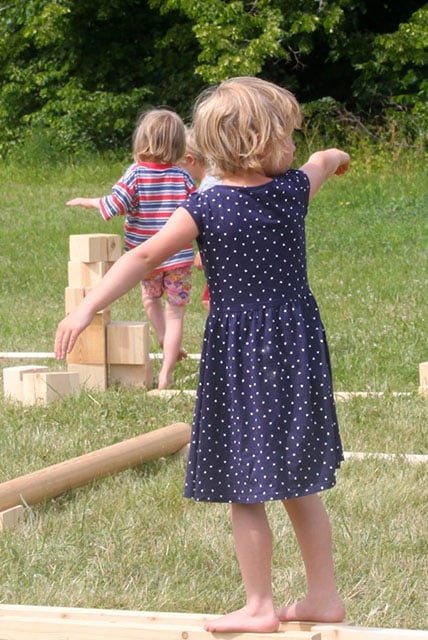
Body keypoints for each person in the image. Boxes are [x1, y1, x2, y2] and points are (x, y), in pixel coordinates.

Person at [55, 76, 350, 634]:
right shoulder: (291, 191)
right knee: (299, 485)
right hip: (294, 352)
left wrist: (87, 307)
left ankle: (260, 605)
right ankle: (323, 596)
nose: (294, 145)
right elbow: (322, 161)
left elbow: (142, 258)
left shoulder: (206, 206)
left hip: (241, 357)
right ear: (259, 141)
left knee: (245, 487)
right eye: (287, 134)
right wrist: (338, 157)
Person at [66, 108, 196, 389]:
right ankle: (166, 373)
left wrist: (88, 201)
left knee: (150, 300)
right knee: (176, 314)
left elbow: (116, 205)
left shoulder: (135, 173)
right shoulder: (183, 177)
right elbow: (199, 212)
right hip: (179, 259)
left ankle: (163, 337)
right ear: (178, 144)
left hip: (146, 259)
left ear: (142, 140)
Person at [177, 126, 221, 311]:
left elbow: (219, 223)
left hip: (221, 254)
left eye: (180, 166)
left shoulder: (209, 188)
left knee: (211, 302)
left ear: (190, 160)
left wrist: (204, 252)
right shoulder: (215, 180)